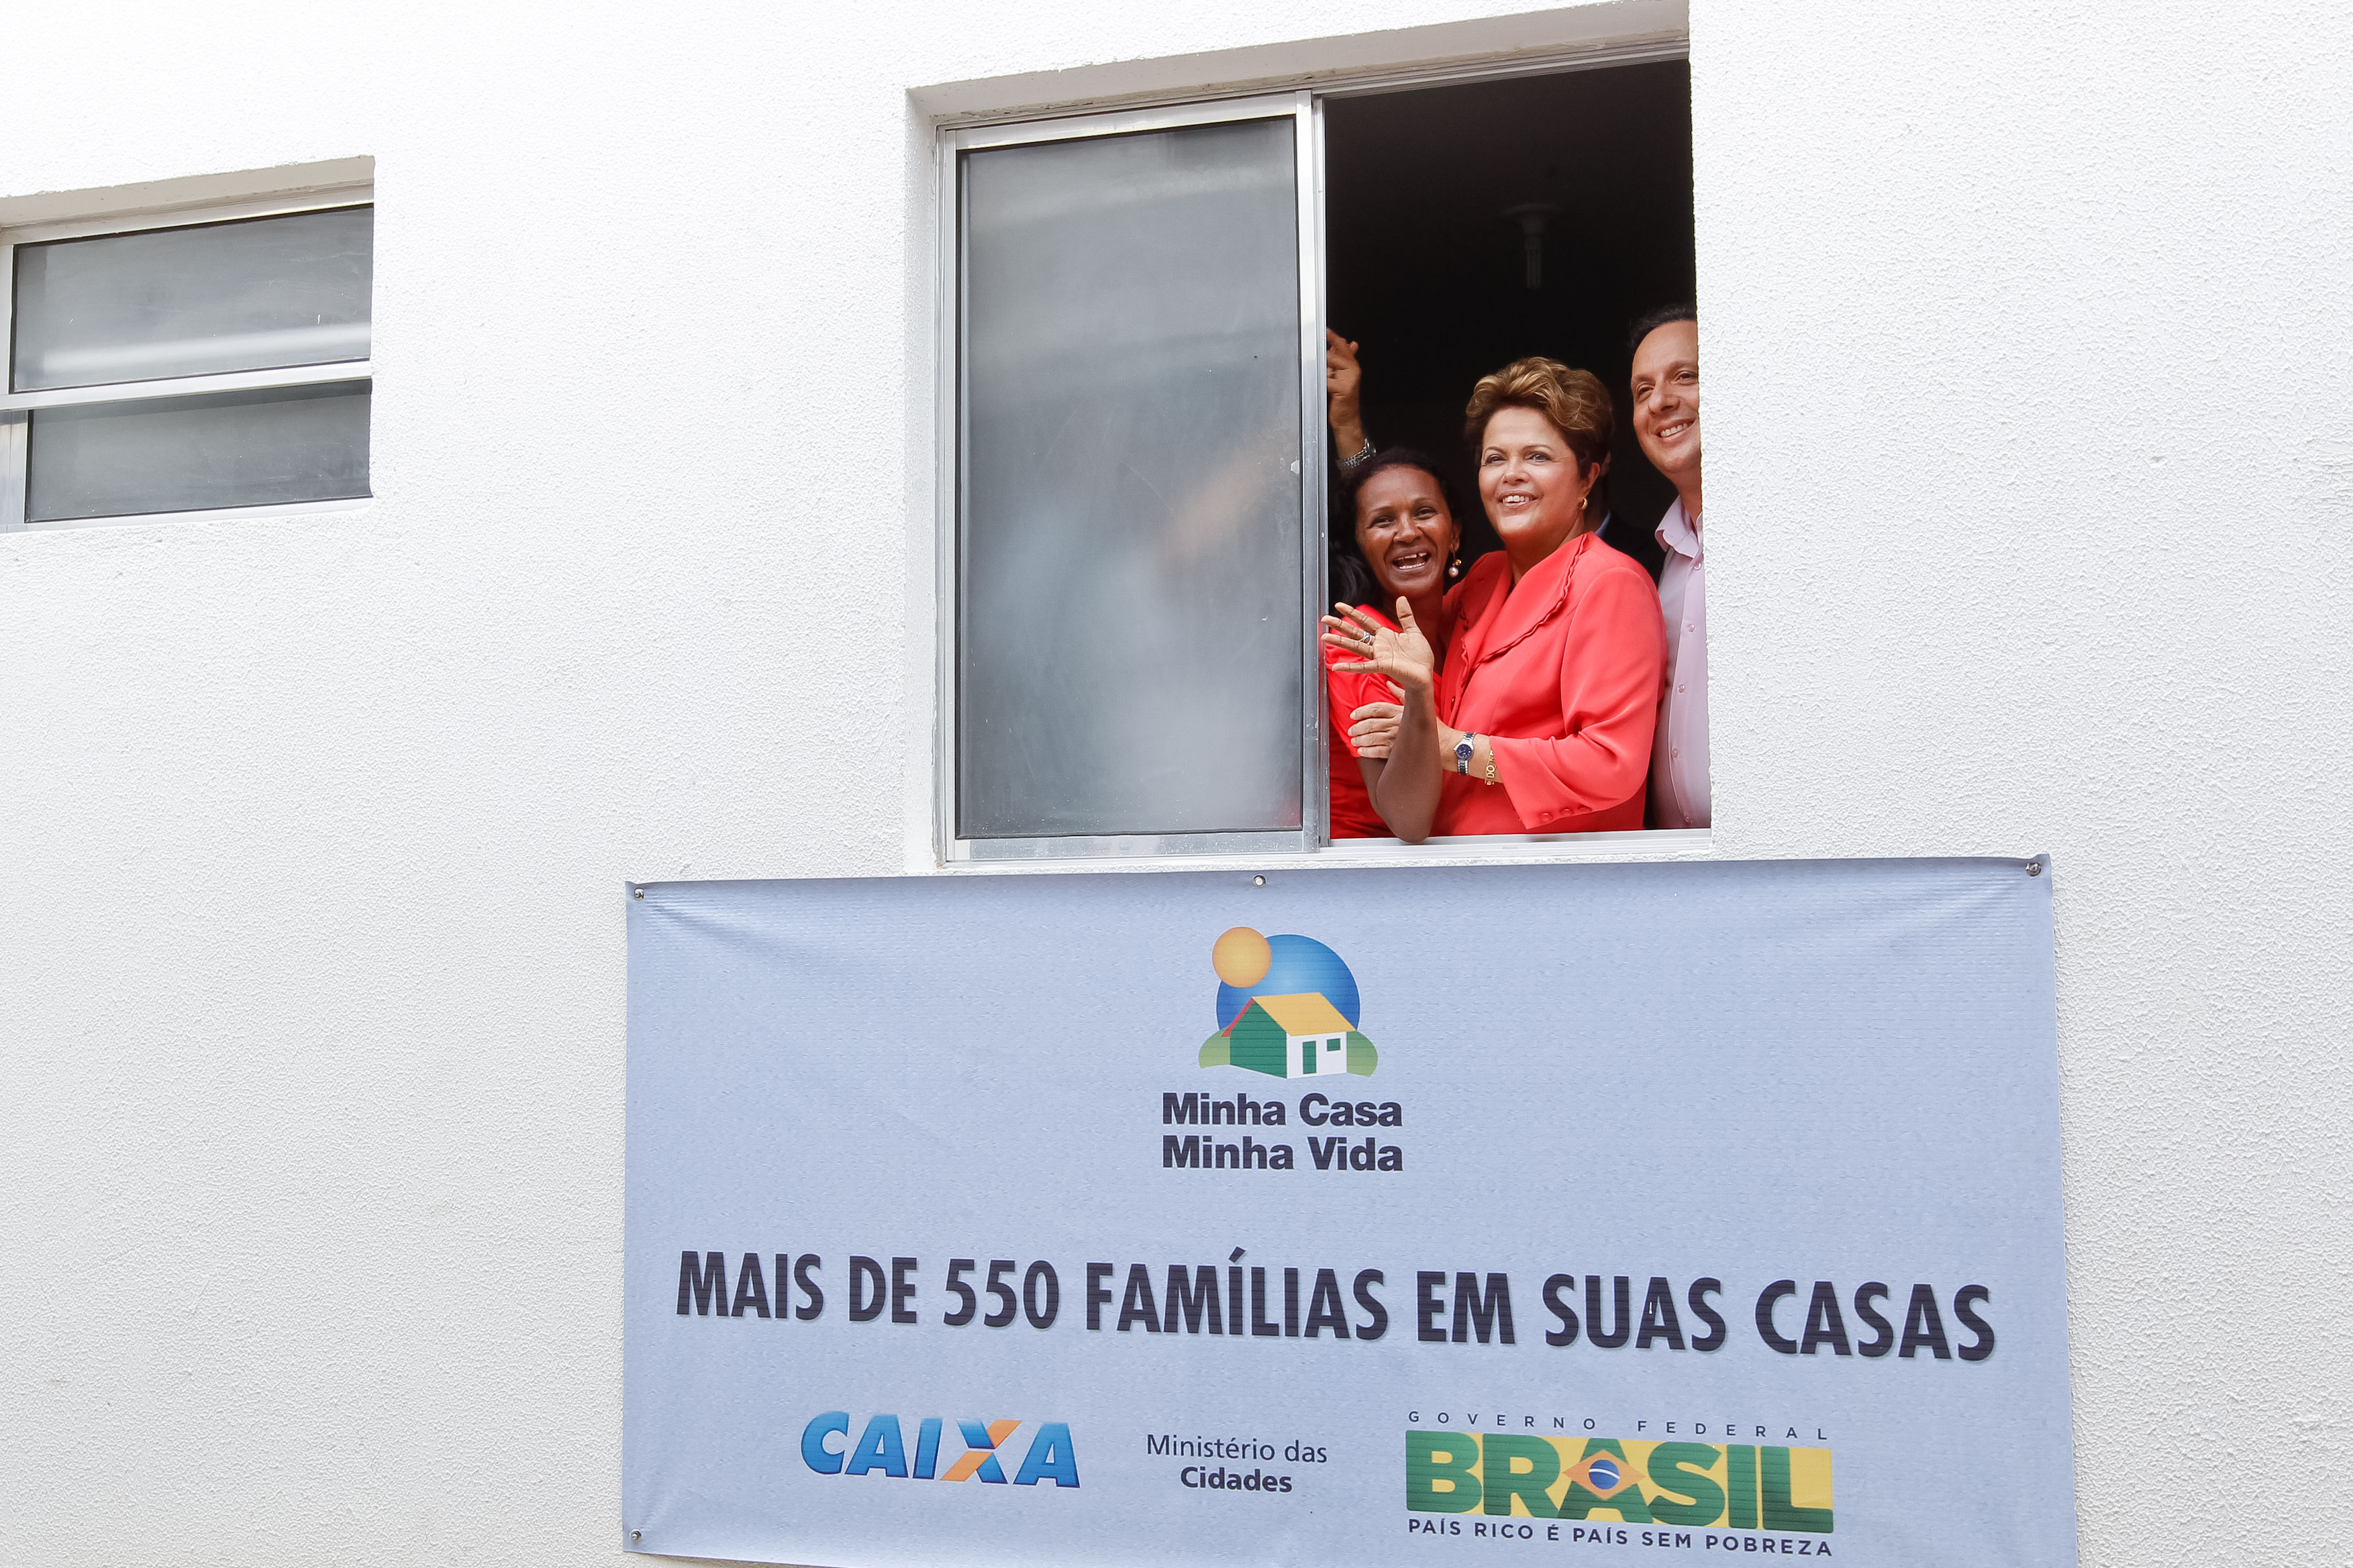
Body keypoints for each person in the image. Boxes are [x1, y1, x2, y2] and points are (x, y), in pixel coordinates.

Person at [1323, 358, 1664, 841]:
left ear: (1588, 478)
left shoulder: (1610, 584)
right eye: (1495, 458)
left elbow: (1610, 764)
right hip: (1457, 878)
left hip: (1549, 878)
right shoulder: (1483, 580)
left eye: (1538, 457)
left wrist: (1451, 747)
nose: (1512, 475)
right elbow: (1407, 600)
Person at [1323, 450, 1464, 838]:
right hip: (1363, 874)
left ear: (1455, 533)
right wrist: (1418, 693)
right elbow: (1408, 821)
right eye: (1383, 521)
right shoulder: (1355, 642)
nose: (1406, 533)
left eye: (1424, 513)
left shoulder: (1472, 621)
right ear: (1359, 544)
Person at [1626, 305, 1707, 829]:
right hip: (1679, 868)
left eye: (1686, 376)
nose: (1661, 401)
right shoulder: (1668, 558)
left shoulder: (1785, 542)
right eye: (1642, 390)